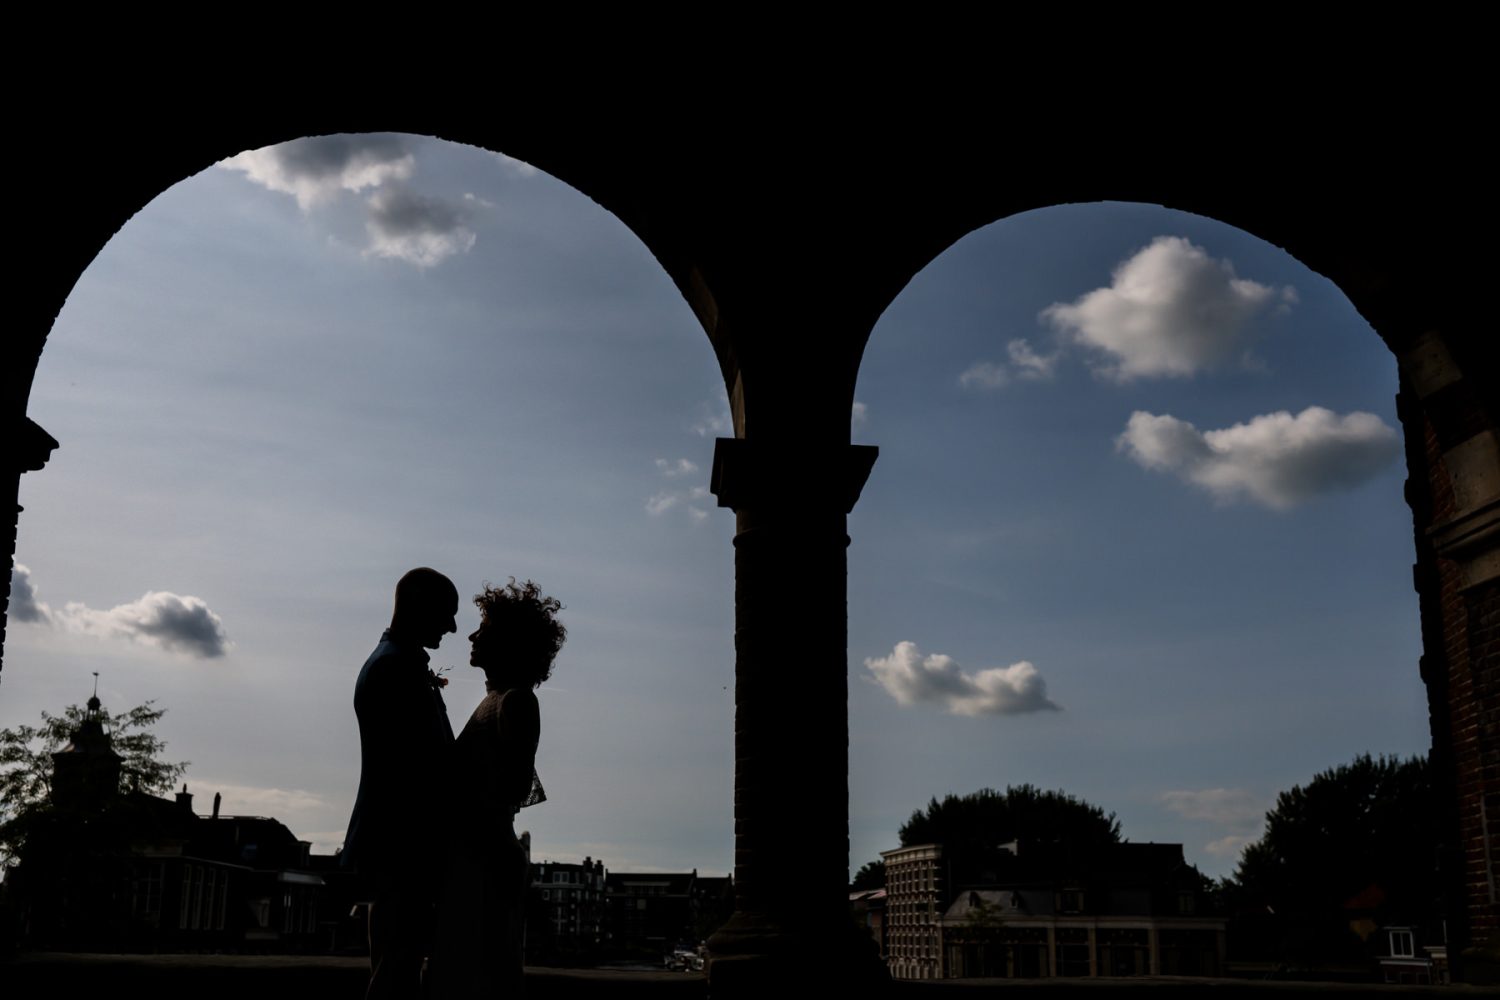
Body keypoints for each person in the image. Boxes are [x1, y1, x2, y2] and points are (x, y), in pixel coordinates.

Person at [428, 578, 565, 999]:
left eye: (483, 627)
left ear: (507, 640)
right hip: (477, 857)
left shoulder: (515, 701)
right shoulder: (498, 699)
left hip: (484, 861)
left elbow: (513, 787)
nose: (471, 635)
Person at [342, 567, 459, 1000]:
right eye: (446, 613)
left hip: (397, 844)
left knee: (396, 963)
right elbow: (419, 767)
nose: (451, 626)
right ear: (416, 605)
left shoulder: (395, 662)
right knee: (396, 971)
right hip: (402, 843)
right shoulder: (395, 669)